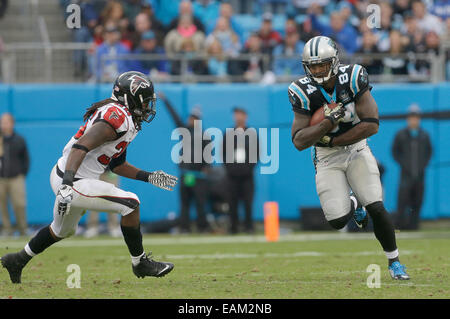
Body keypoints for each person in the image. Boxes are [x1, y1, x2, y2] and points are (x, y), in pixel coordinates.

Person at [1, 71, 178, 284]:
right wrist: (67, 183)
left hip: (70, 176)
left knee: (61, 230)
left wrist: (150, 177)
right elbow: (80, 147)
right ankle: (140, 263)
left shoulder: (125, 118)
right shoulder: (118, 117)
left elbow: (117, 165)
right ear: (129, 97)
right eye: (145, 101)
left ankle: (17, 259)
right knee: (131, 204)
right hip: (73, 179)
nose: (148, 107)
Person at [289, 36, 410, 280]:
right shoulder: (301, 90)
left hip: (356, 149)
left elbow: (372, 124)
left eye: (322, 65)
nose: (318, 70)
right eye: (313, 66)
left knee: (376, 205)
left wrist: (333, 138)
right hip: (326, 158)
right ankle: (354, 205)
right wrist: (327, 123)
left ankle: (394, 262)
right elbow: (299, 141)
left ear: (334, 62)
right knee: (337, 220)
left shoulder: (353, 77)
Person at [158, 93, 211, 233]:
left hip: (198, 176)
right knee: (185, 202)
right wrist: (166, 100)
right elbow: (174, 116)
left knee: (200, 203)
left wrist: (207, 168)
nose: (190, 120)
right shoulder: (185, 131)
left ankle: (202, 227)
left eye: (193, 118)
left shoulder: (205, 136)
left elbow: (209, 154)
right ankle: (185, 227)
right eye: (190, 117)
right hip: (186, 174)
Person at [392, 104, 432, 230]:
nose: (414, 120)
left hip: (420, 175)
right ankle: (400, 226)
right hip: (406, 175)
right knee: (403, 201)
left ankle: (414, 226)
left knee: (417, 201)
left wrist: (422, 165)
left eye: (416, 117)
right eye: (411, 117)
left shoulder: (424, 135)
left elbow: (429, 152)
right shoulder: (401, 134)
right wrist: (404, 164)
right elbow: (395, 151)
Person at [222, 107, 258, 234]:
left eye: (240, 114)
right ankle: (233, 227)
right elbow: (223, 154)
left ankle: (249, 226)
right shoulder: (228, 133)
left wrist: (247, 169)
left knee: (248, 202)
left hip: (247, 175)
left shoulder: (252, 133)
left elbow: (256, 154)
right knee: (232, 202)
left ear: (245, 116)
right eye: (236, 115)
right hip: (232, 175)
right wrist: (231, 169)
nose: (238, 117)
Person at [0, 113, 30, 236]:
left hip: (16, 178)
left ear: (12, 123)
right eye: (2, 122)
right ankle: (7, 229)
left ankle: (23, 229)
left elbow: (26, 158)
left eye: (7, 122)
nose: (4, 124)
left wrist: (22, 173)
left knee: (19, 204)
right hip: (1, 178)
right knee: (2, 205)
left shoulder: (19, 139)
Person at [83, 169, 122, 238]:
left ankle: (114, 227)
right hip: (96, 172)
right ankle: (92, 227)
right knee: (94, 199)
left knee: (112, 200)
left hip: (111, 173)